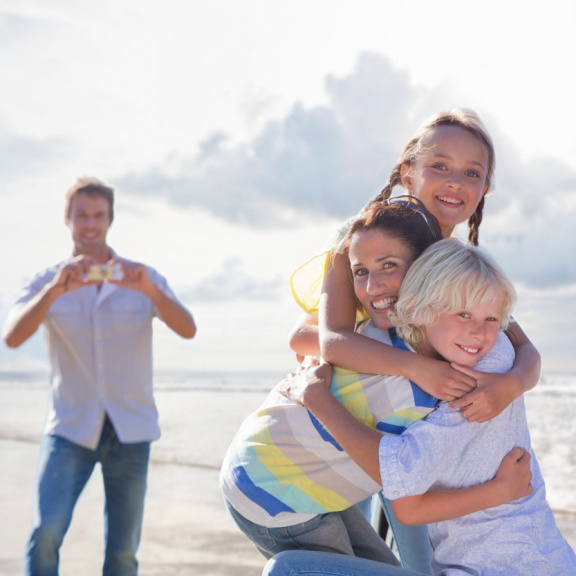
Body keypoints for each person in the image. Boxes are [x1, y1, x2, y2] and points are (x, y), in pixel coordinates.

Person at [287, 108, 542, 571]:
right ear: (408, 172)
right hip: (375, 424)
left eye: (472, 172)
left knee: (414, 553)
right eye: (439, 166)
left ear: (484, 189)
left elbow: (523, 344)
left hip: (419, 431)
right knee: (414, 557)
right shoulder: (369, 235)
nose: (454, 181)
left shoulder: (455, 262)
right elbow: (311, 336)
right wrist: (415, 366)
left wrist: (512, 385)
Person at [220, 203, 530, 567]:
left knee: (388, 567)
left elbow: (513, 332)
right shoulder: (401, 366)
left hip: (285, 472)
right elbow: (397, 480)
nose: (372, 285)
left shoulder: (406, 327)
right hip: (269, 491)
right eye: (361, 272)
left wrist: (518, 378)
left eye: (389, 266)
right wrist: (500, 491)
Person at [268, 238, 576, 576]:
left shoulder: (471, 390)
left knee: (287, 569)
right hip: (548, 559)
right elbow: (305, 335)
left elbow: (408, 508)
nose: (479, 333)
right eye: (463, 314)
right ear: (417, 310)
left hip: (497, 568)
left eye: (491, 319)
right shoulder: (498, 352)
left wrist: (315, 397)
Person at [2, 177, 197, 576]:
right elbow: (13, 336)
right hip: (69, 428)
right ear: (68, 219)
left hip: (132, 428)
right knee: (46, 533)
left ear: (110, 219)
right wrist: (56, 291)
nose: (89, 224)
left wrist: (153, 293)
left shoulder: (142, 277)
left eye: (97, 215)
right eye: (81, 216)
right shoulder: (48, 281)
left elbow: (188, 328)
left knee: (123, 551)